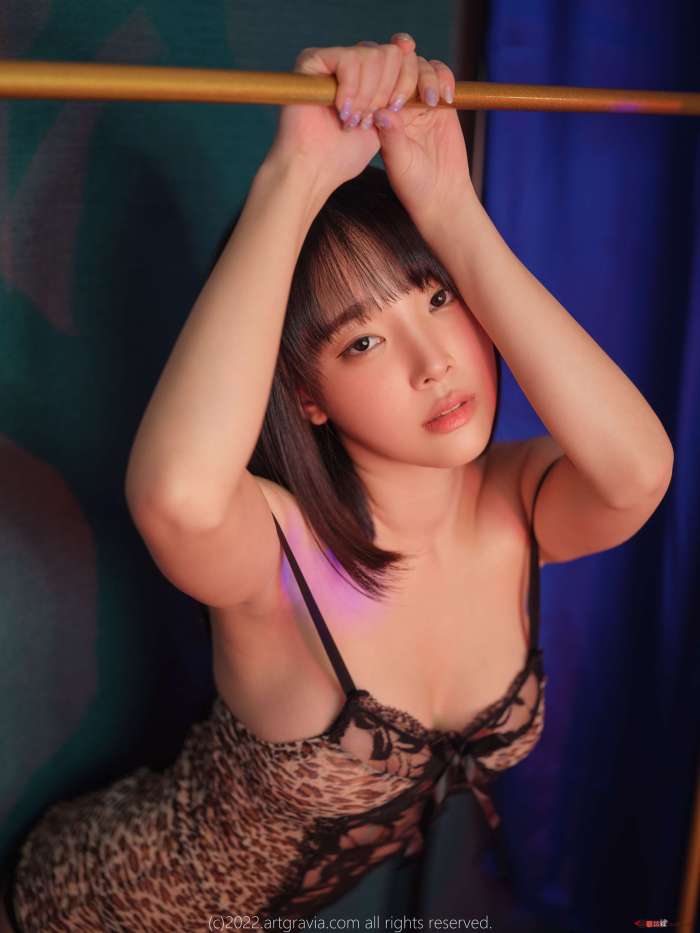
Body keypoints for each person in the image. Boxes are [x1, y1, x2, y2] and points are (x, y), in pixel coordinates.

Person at [1, 31, 673, 932]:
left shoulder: (522, 505)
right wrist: (297, 178)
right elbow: (178, 498)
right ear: (308, 398)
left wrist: (450, 208)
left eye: (438, 298)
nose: (434, 363)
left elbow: (639, 470)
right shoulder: (280, 553)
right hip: (104, 904)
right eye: (363, 340)